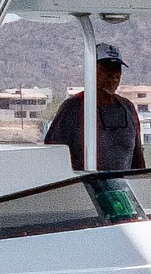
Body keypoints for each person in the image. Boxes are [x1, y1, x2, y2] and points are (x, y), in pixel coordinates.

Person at [43, 46, 145, 176]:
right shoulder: (73, 108)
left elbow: (138, 157)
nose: (113, 77)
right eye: (106, 70)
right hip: (83, 190)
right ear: (91, 70)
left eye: (116, 70)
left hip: (121, 190)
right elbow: (53, 154)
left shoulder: (128, 107)